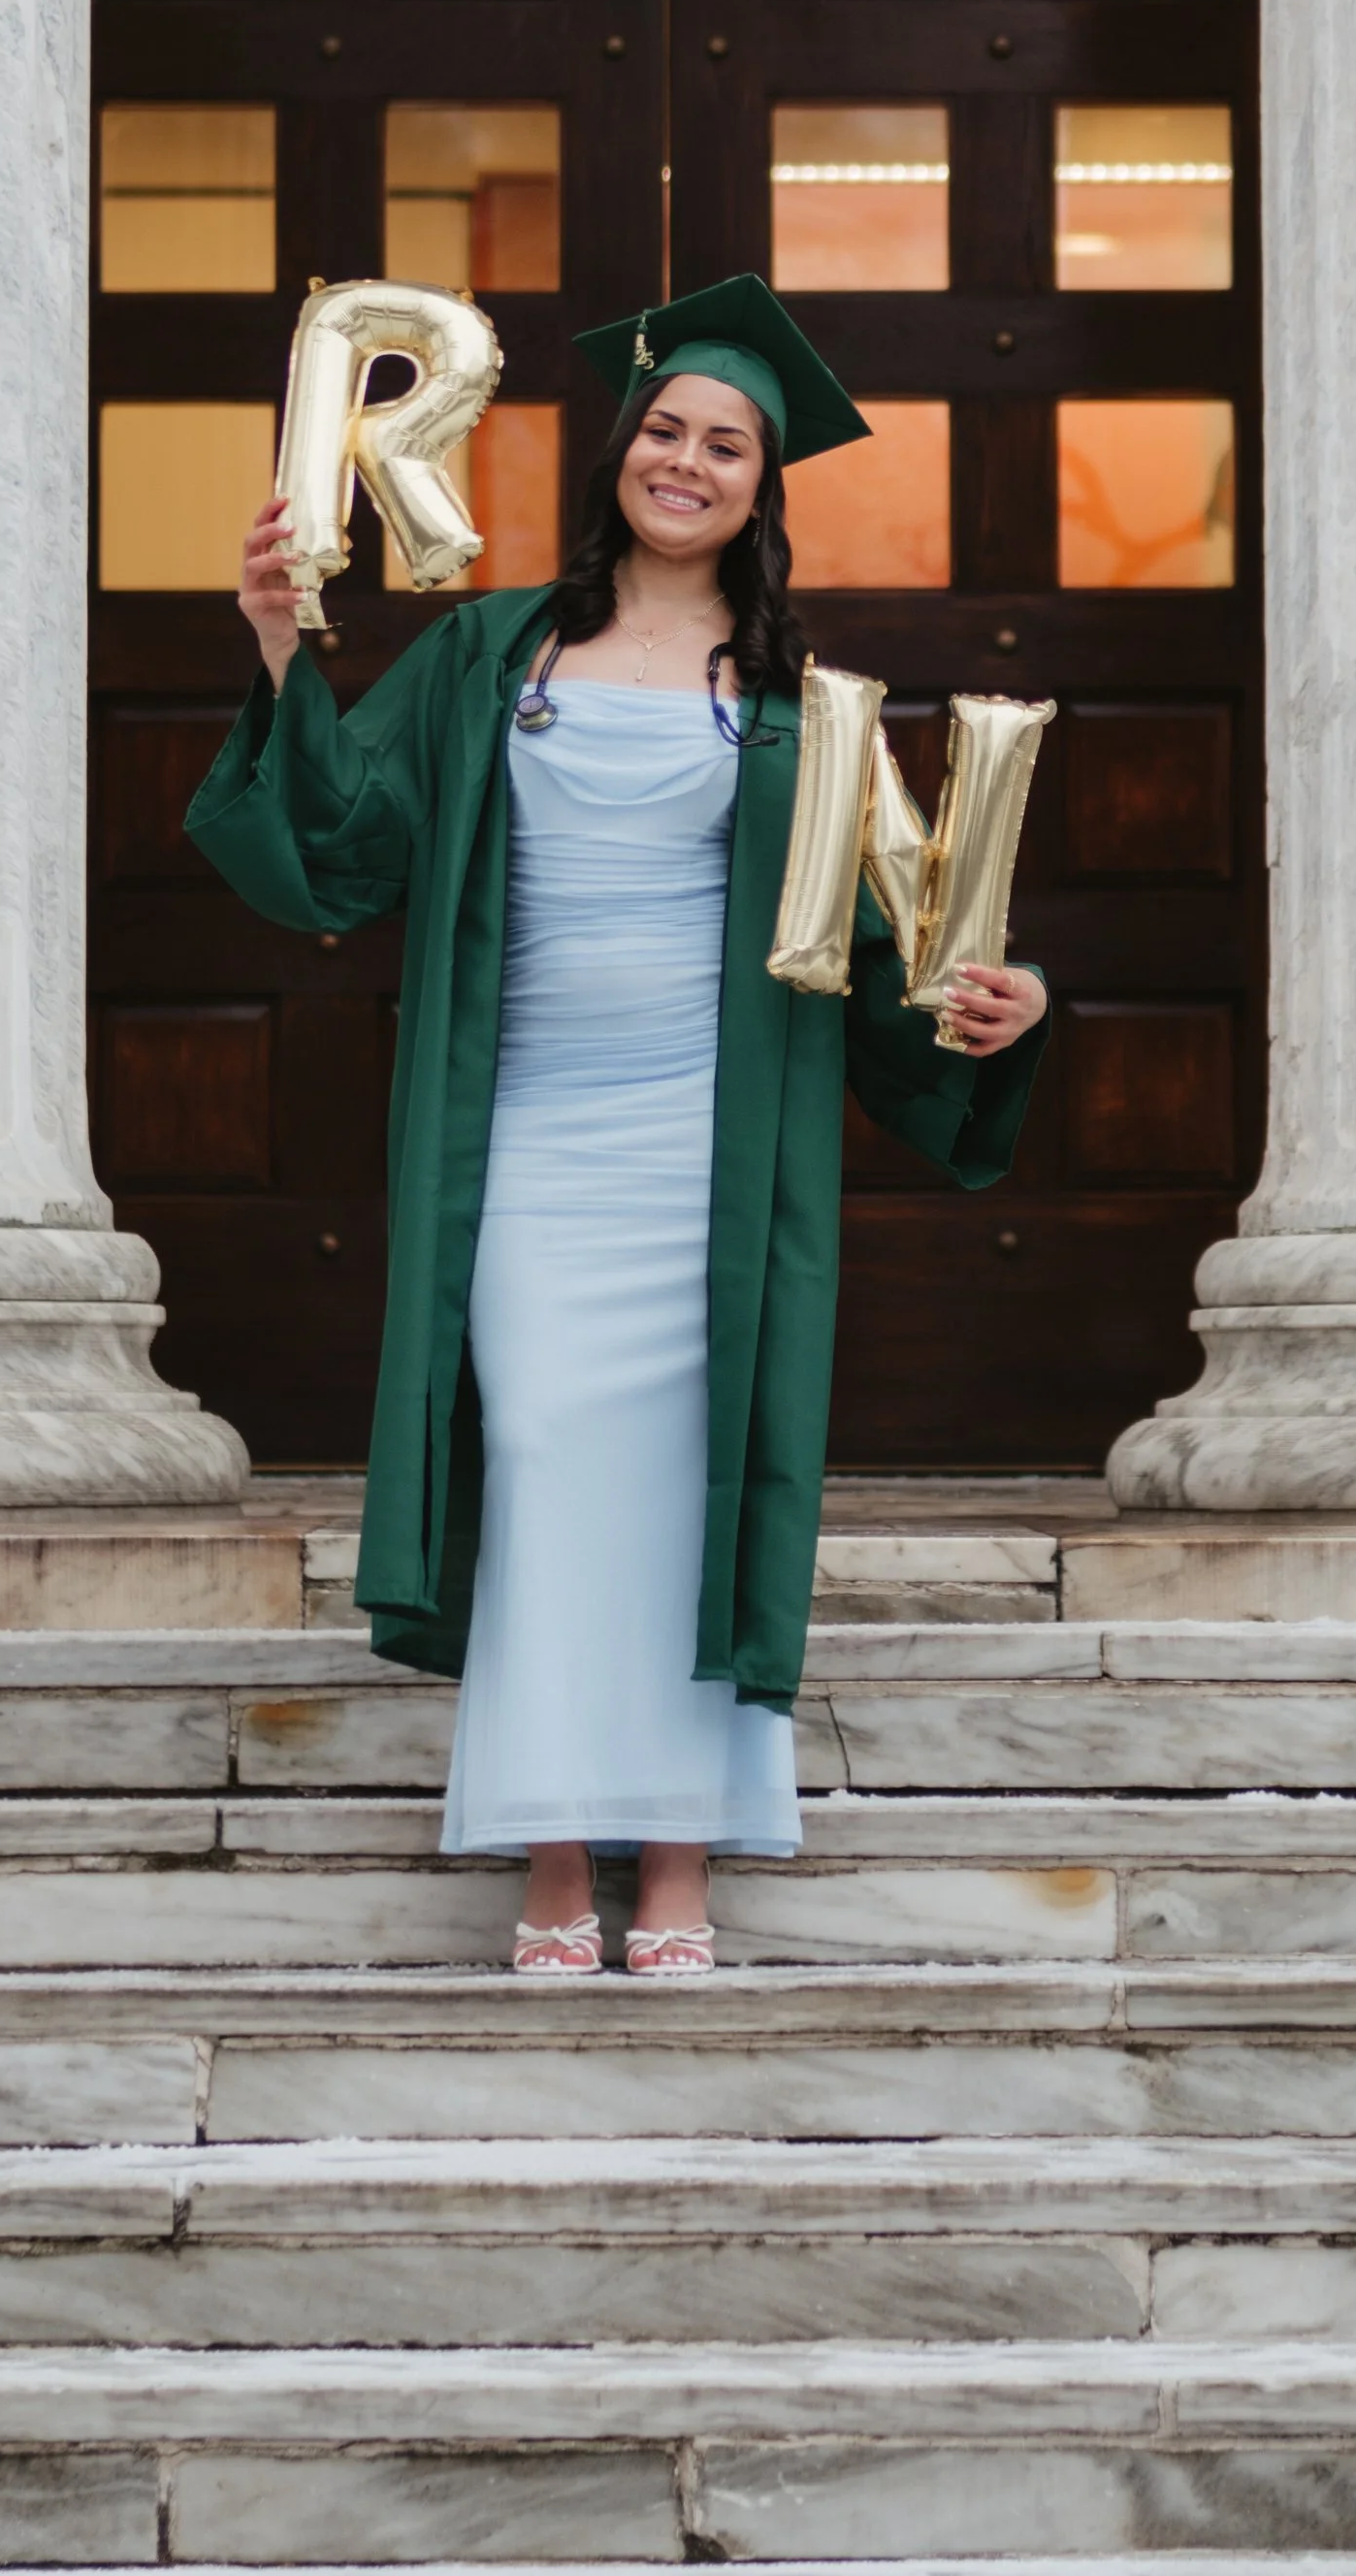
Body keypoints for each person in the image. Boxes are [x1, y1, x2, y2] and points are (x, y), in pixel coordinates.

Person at [186, 276, 1050, 1977]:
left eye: (727, 443)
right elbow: (347, 843)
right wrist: (283, 639)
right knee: (552, 1474)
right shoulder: (490, 651)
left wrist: (993, 1008)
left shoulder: (807, 705)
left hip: (709, 1161)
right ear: (622, 449)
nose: (690, 459)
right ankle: (552, 1850)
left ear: (763, 483)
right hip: (529, 1144)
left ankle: (674, 1868)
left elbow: (890, 955)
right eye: (667, 428)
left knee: (679, 1490)